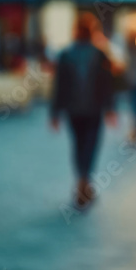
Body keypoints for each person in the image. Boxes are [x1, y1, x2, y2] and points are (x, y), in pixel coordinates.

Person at [50, 12, 117, 210]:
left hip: (74, 109)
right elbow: (107, 84)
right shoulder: (100, 54)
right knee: (90, 144)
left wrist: (55, 113)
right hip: (93, 109)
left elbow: (59, 86)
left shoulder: (65, 55)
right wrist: (110, 109)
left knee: (78, 144)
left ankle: (82, 179)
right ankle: (85, 180)